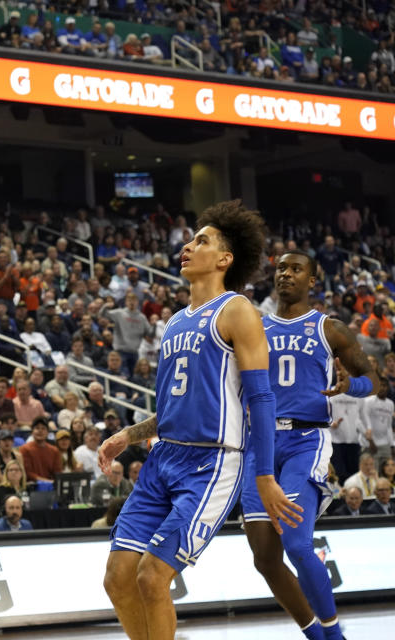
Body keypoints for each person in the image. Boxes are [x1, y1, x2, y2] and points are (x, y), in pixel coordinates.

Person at [99, 202, 301, 640]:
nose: (188, 246)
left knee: (153, 577)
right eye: (190, 240)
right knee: (117, 579)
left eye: (201, 241)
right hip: (163, 459)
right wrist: (127, 436)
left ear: (225, 259)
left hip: (211, 464)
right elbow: (174, 409)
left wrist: (264, 475)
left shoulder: (237, 310)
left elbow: (261, 397)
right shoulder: (173, 323)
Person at [238, 249, 383, 640]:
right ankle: (317, 636)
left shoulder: (329, 328)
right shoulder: (252, 327)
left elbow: (375, 382)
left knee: (298, 545)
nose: (286, 274)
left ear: (312, 281)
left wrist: (350, 385)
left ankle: (334, 636)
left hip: (306, 438)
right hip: (259, 443)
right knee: (265, 559)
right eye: (281, 268)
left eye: (296, 269)